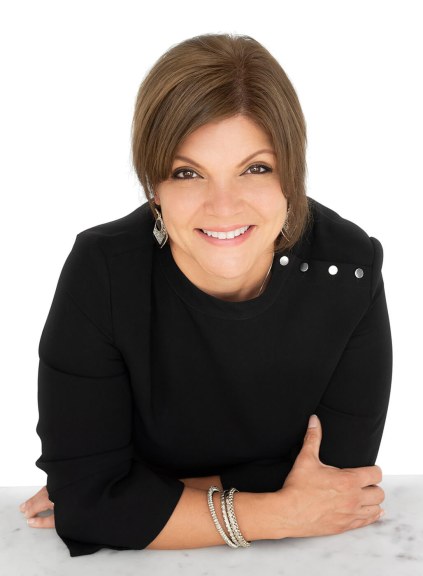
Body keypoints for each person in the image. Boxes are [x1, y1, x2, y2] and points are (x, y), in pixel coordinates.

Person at [19, 33, 392, 557]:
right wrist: (279, 512)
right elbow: (87, 499)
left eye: (255, 168)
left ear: (293, 174)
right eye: (187, 172)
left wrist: (132, 494)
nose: (223, 206)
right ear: (154, 186)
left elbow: (340, 480)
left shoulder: (346, 267)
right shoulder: (103, 270)